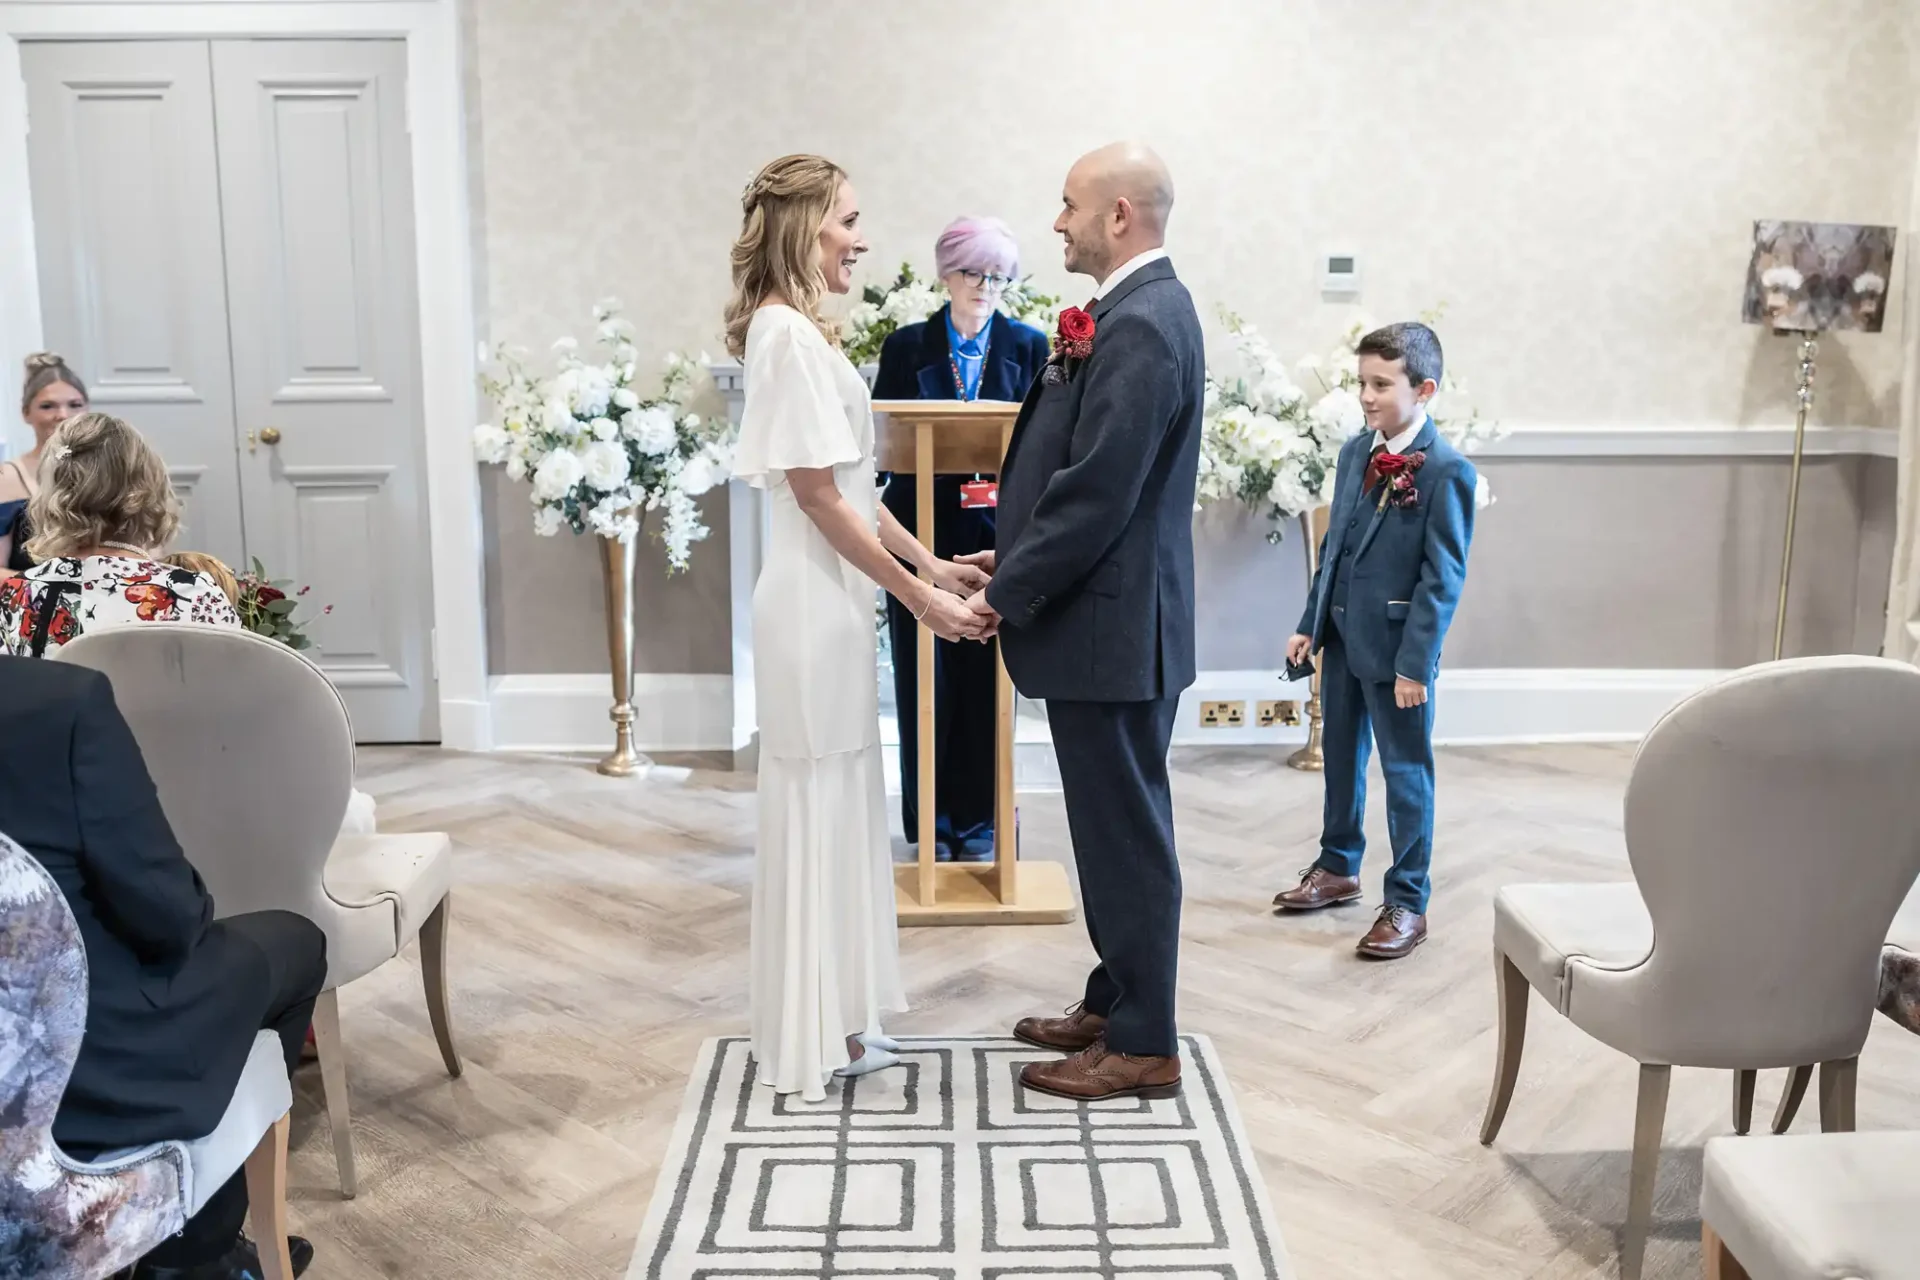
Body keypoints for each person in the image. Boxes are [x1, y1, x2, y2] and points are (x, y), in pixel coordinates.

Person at [723, 154, 992, 1101]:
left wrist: (934, 564)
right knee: (814, 804)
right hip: (807, 604)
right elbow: (817, 502)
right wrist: (924, 605)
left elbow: (855, 491)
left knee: (840, 803)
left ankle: (834, 1022)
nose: (861, 239)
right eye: (847, 220)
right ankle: (808, 1034)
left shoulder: (800, 331)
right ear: (802, 228)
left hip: (833, 603)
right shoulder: (785, 335)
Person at [961, 142, 1206, 1102]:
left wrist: (1002, 593)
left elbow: (1098, 493)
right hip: (1104, 627)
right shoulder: (1129, 314)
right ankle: (1116, 999)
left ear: (1118, 216)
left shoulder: (1144, 323)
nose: (1055, 222)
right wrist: (1010, 559)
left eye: (1068, 206)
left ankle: (1145, 1043)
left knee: (1126, 839)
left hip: (1114, 633)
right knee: (1111, 833)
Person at [0, 657, 325, 1278]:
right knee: (295, 943)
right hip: (75, 1078)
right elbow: (169, 916)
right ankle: (195, 1255)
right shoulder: (55, 702)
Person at [1273, 322, 1477, 959]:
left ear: (1425, 389)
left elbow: (1441, 580)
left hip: (1398, 657)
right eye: (1361, 382)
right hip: (1341, 638)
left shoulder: (1447, 472)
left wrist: (1416, 663)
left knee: (1406, 773)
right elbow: (1334, 550)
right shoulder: (1355, 454)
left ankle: (1409, 900)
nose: (1366, 396)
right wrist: (1310, 622)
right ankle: (1338, 866)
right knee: (1340, 759)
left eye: (1381, 385)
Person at [872, 217, 1050, 862]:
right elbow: (886, 447)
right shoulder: (906, 347)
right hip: (921, 535)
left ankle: (982, 822)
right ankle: (930, 825)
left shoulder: (1031, 347)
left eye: (999, 276)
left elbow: (1041, 447)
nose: (986, 286)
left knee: (987, 684)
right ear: (947, 274)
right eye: (974, 272)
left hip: (1000, 538)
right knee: (925, 683)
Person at [0, 413, 239, 657]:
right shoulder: (194, 593)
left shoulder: (18, 595)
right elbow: (230, 684)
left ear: (52, 494)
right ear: (147, 486)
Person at [2, 352, 89, 576]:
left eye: (74, 404)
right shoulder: (6, 477)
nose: (62, 415)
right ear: (26, 413)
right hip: (28, 603)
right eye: (48, 406)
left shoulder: (109, 472)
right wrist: (51, 590)